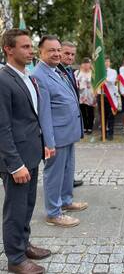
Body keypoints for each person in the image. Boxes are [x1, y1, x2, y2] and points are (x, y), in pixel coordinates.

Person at [0, 29, 51, 274]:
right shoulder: (3, 79)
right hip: (16, 160)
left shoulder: (26, 76)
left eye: (31, 46)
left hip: (31, 153)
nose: (31, 51)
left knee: (28, 205)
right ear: (9, 49)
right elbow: (2, 126)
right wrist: (15, 164)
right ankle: (15, 259)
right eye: (25, 47)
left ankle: (24, 243)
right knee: (15, 209)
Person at [32, 35, 87, 228]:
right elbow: (44, 113)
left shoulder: (57, 71)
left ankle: (65, 200)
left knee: (68, 170)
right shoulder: (40, 74)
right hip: (56, 135)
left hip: (68, 132)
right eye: (51, 50)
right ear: (41, 52)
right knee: (54, 173)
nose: (56, 54)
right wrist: (49, 142)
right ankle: (53, 212)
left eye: (57, 50)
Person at [58, 41, 83, 188]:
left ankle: (68, 179)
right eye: (66, 53)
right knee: (59, 161)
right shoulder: (57, 71)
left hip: (71, 120)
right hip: (61, 123)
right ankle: (63, 184)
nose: (70, 57)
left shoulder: (69, 70)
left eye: (72, 54)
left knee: (69, 158)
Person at [97, 56, 118, 140]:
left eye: (108, 61)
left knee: (111, 116)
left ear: (110, 63)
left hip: (110, 96)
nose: (106, 63)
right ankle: (103, 134)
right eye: (105, 61)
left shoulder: (113, 71)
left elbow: (111, 81)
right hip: (100, 95)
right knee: (102, 116)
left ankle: (110, 134)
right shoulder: (98, 71)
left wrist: (103, 77)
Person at [74, 58, 96, 135]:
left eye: (88, 63)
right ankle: (84, 127)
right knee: (82, 112)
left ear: (90, 64)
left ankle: (90, 127)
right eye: (84, 63)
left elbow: (96, 85)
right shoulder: (77, 72)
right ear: (82, 64)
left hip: (91, 95)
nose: (86, 65)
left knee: (90, 112)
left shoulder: (93, 73)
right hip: (81, 95)